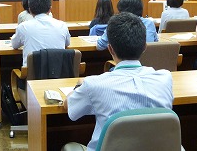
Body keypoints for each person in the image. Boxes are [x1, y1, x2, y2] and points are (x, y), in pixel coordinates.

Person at [63, 12, 173, 151]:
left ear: (110, 49)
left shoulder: (94, 84)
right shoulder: (165, 78)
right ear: (145, 47)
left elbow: (69, 107)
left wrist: (79, 85)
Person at [11, 0, 70, 66]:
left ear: (30, 10)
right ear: (50, 9)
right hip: (59, 75)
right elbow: (67, 43)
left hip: (32, 76)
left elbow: (14, 45)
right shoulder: (62, 25)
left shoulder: (23, 27)